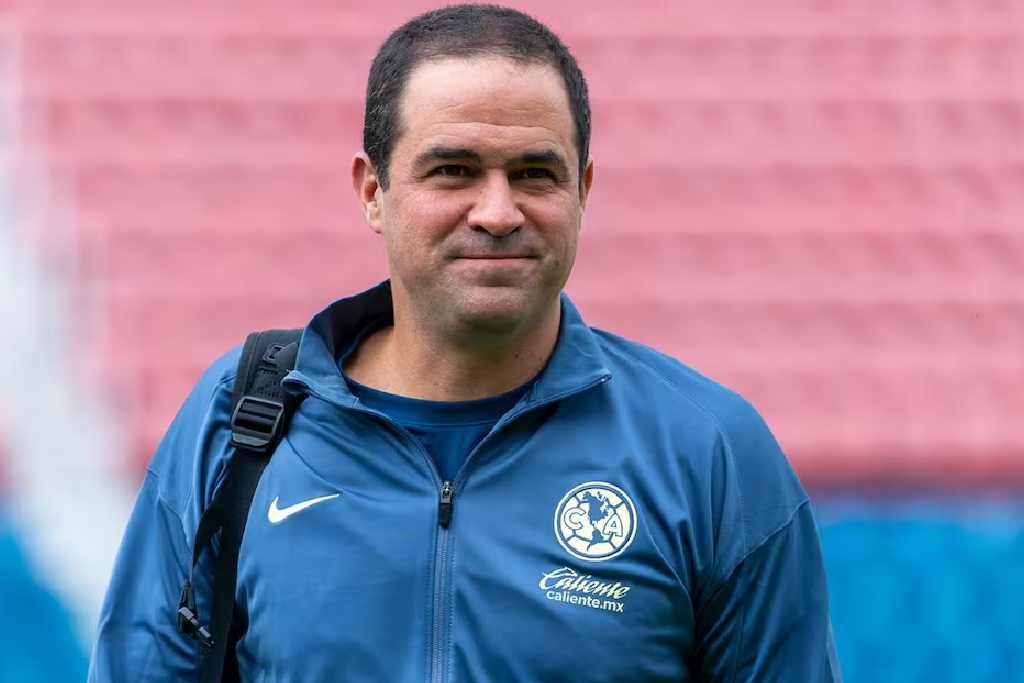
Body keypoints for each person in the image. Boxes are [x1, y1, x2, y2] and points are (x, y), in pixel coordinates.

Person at [89, 4, 843, 681]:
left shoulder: (707, 453)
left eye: (535, 174)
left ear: (583, 191)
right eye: (453, 170)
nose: (497, 211)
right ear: (373, 192)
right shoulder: (242, 423)